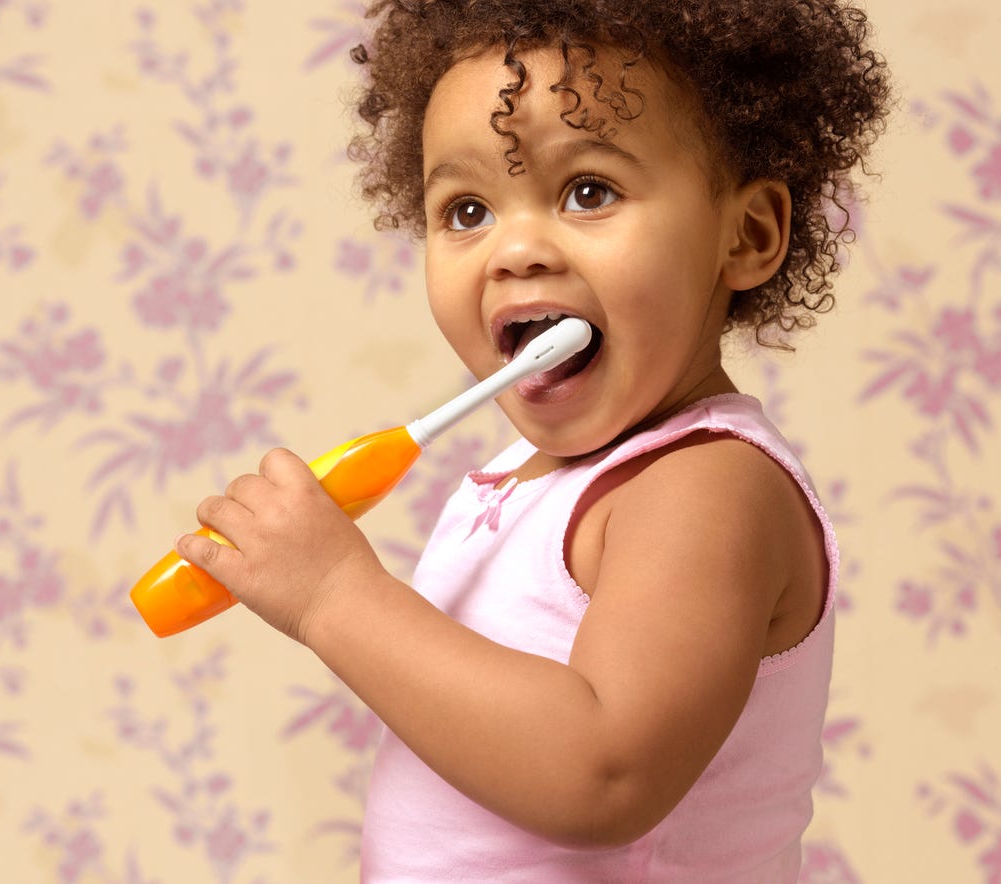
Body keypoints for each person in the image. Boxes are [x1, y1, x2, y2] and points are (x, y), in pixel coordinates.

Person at [174, 0, 890, 879]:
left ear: (745, 235)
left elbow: (602, 773)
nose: (514, 250)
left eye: (589, 192)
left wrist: (333, 594)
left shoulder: (705, 488)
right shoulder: (522, 475)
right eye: (467, 210)